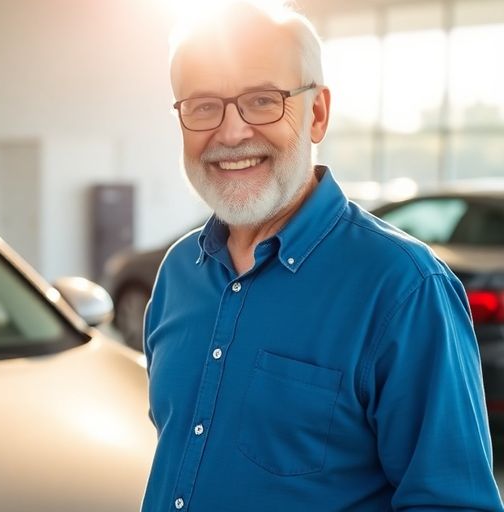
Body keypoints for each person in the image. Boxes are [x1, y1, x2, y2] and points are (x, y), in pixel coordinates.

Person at [142, 2, 503, 510]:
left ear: (317, 114)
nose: (231, 133)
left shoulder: (405, 288)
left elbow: (451, 502)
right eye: (203, 106)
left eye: (262, 100)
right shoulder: (179, 272)